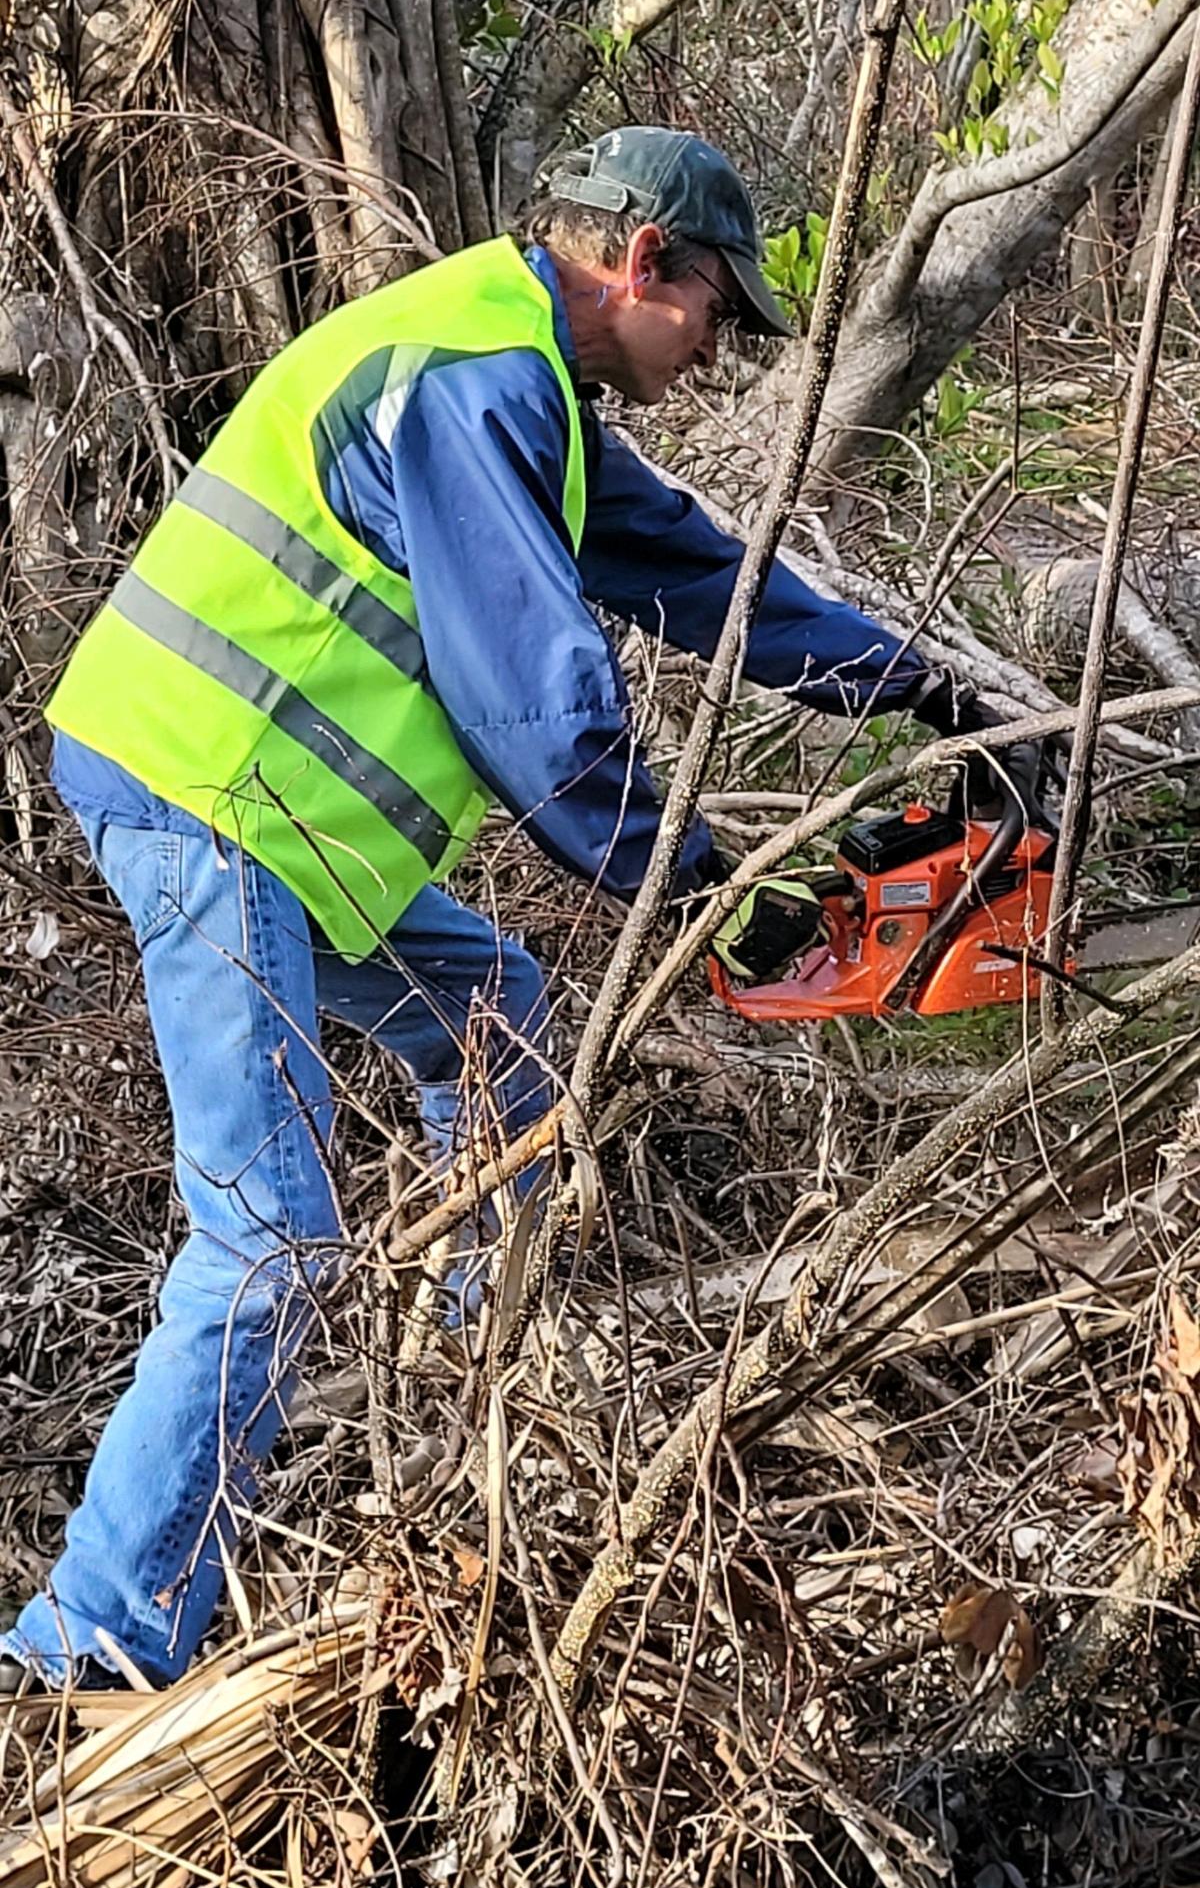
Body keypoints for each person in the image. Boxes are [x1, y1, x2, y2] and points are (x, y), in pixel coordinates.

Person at [1, 125, 1018, 1695]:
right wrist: (715, 900)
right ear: (642, 264)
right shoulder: (478, 381)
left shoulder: (519, 372)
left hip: (291, 830)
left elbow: (701, 575)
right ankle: (87, 1647)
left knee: (502, 1025)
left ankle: (490, 1407)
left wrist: (924, 687)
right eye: (715, 314)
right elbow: (541, 714)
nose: (718, 351)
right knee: (270, 1240)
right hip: (211, 799)